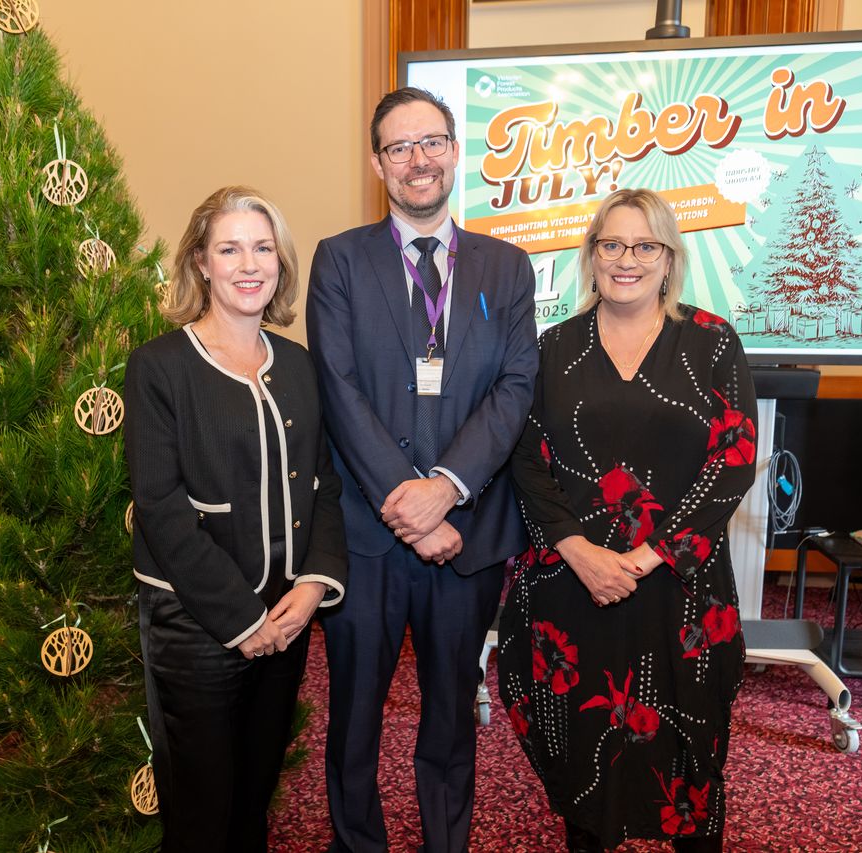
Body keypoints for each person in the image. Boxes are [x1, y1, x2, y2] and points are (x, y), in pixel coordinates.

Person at [306, 87, 538, 852]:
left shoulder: (507, 269)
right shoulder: (339, 259)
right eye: (400, 147)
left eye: (431, 141)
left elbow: (515, 389)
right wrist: (404, 504)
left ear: (455, 151)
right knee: (356, 714)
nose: (418, 159)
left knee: (450, 710)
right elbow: (337, 387)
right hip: (368, 540)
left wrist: (445, 493)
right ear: (377, 164)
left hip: (467, 534)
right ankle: (356, 842)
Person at [498, 188, 758, 852]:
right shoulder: (551, 348)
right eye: (611, 244)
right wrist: (580, 552)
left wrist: (649, 557)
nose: (626, 259)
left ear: (669, 259)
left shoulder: (711, 342)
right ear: (590, 256)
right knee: (587, 752)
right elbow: (527, 460)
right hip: (573, 588)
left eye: (645, 245)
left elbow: (733, 459)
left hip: (680, 590)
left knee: (691, 753)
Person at [123, 186, 348, 853]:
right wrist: (241, 620)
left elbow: (324, 486)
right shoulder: (160, 367)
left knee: (254, 803)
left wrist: (312, 587)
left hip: (286, 619)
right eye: (229, 248)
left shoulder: (301, 367)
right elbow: (160, 508)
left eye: (262, 247)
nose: (249, 263)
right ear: (200, 262)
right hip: (197, 626)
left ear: (279, 261)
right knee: (201, 817)